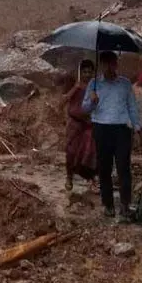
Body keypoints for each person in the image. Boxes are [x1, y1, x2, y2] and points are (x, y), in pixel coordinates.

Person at [82, 51, 141, 220]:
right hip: (101, 128)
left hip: (122, 129)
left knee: (124, 167)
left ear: (116, 64)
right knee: (104, 168)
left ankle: (125, 205)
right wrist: (92, 100)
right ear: (101, 65)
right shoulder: (94, 84)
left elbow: (132, 106)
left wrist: (137, 127)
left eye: (112, 64)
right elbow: (84, 108)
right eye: (106, 64)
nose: (110, 67)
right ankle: (108, 205)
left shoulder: (125, 84)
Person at [63, 59, 97, 191]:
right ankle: (69, 177)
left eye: (89, 72)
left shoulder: (95, 87)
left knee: (90, 152)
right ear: (80, 72)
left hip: (89, 125)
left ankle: (91, 178)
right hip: (74, 124)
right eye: (84, 72)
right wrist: (75, 88)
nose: (87, 74)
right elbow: (63, 100)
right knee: (71, 152)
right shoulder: (74, 85)